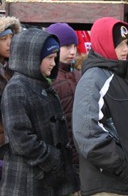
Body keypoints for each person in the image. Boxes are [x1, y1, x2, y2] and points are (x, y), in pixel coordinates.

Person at [72, 17, 128, 196]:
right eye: (119, 44)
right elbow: (87, 133)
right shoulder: (93, 79)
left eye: (127, 42)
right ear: (104, 43)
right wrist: (123, 165)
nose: (125, 49)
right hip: (109, 185)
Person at [0, 28, 79, 195]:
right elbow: (20, 139)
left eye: (55, 58)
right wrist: (53, 158)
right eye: (49, 58)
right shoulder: (16, 88)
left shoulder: (43, 85)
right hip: (28, 181)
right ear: (32, 58)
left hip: (48, 180)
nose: (53, 63)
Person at [45, 23, 81, 174]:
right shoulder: (48, 77)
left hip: (80, 151)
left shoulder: (78, 74)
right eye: (66, 46)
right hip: (58, 155)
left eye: (74, 46)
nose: (72, 51)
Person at [0, 16, 21, 177]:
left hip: (13, 141)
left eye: (11, 38)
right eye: (3, 39)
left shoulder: (14, 68)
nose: (9, 43)